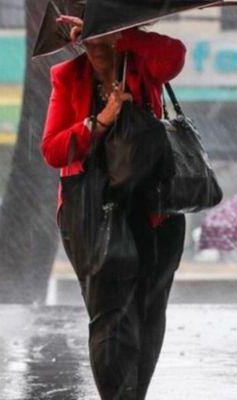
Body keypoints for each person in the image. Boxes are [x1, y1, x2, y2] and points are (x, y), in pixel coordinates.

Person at [40, 15, 186, 400]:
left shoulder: (140, 61)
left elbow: (175, 56)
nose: (95, 46)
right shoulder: (67, 76)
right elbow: (53, 150)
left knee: (150, 311)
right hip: (91, 209)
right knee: (110, 315)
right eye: (88, 38)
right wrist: (100, 121)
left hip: (154, 208)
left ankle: (135, 393)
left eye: (100, 35)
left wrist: (123, 31)